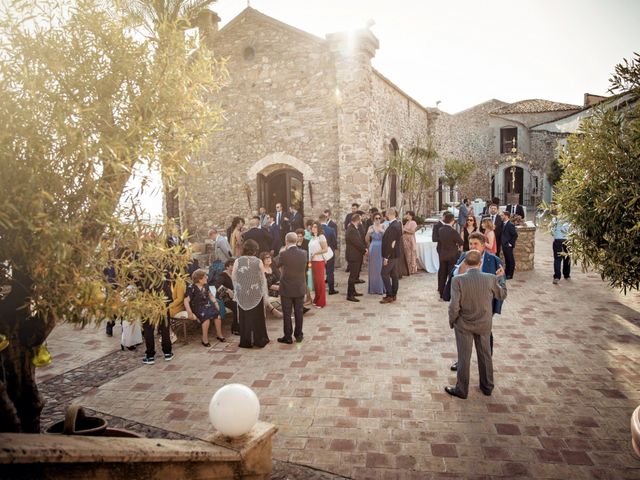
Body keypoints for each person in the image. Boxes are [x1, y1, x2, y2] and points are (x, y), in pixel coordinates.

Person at [445, 250, 507, 399]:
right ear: (480, 263)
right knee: (485, 355)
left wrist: (452, 321)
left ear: (465, 263)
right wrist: (501, 278)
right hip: (484, 323)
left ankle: (462, 389)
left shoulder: (458, 280)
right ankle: (487, 386)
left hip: (464, 324)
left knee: (464, 357)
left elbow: (454, 306)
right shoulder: (491, 278)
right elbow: (502, 295)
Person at [448, 232, 505, 372]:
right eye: (471, 244)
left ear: (483, 245)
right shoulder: (464, 257)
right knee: (463, 340)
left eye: (476, 244)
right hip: (465, 305)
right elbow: (454, 277)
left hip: (485, 306)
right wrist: (461, 267)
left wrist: (495, 307)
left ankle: (487, 362)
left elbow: (501, 286)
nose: (472, 247)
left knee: (486, 337)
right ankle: (461, 362)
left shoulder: (494, 260)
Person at [232, 240, 270, 349]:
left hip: (243, 293)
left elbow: (234, 277)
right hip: (256, 293)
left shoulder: (238, 261)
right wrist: (262, 291)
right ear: (254, 250)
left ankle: (246, 341)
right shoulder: (258, 261)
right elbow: (262, 278)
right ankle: (259, 340)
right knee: (257, 317)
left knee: (245, 317)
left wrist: (240, 287)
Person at [274, 232, 308, 344]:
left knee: (287, 313)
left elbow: (275, 265)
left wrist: (281, 276)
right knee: (299, 312)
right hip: (299, 286)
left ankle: (287, 337)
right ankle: (299, 335)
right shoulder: (304, 253)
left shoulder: (283, 254)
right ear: (296, 241)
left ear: (286, 241)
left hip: (286, 287)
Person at [184, 268, 222, 347]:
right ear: (199, 279)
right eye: (205, 276)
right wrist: (189, 312)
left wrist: (216, 303)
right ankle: (204, 339)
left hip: (207, 305)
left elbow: (211, 296)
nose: (207, 278)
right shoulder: (191, 288)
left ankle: (219, 334)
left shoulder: (206, 286)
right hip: (197, 307)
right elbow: (186, 300)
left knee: (217, 315)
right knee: (206, 318)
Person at [437, 212, 462, 300]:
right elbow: (460, 241)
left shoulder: (441, 230)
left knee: (442, 274)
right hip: (452, 255)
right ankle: (449, 294)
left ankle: (441, 292)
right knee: (451, 275)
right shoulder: (453, 231)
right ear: (452, 220)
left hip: (443, 254)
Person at [380, 208, 402, 304]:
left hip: (391, 255)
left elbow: (391, 243)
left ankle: (390, 294)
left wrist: (386, 257)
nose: (386, 216)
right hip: (395, 254)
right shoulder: (396, 224)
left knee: (384, 273)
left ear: (390, 214)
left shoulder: (393, 226)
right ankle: (393, 294)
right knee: (394, 275)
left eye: (387, 215)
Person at [214, 259, 239, 335]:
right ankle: (235, 329)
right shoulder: (223, 275)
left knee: (241, 305)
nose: (234, 266)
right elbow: (217, 286)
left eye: (234, 264)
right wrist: (227, 290)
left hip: (233, 297)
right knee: (236, 307)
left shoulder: (235, 274)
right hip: (223, 297)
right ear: (227, 267)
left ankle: (240, 326)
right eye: (232, 265)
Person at [346, 213, 367, 302]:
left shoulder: (353, 228)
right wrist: (365, 250)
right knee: (353, 276)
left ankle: (353, 291)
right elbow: (357, 243)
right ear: (357, 220)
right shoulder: (351, 230)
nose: (360, 222)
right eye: (360, 220)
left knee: (354, 276)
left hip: (356, 255)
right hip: (353, 256)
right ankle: (349, 295)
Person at [308, 221, 329, 308]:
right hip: (312, 262)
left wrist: (315, 253)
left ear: (319, 228)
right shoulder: (312, 237)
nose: (313, 228)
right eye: (313, 226)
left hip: (319, 261)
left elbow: (325, 249)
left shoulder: (321, 237)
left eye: (316, 227)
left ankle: (321, 302)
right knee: (315, 282)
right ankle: (316, 299)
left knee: (320, 282)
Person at [365, 212, 385, 295]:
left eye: (379, 218)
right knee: (373, 269)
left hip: (381, 248)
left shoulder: (383, 226)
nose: (378, 220)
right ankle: (373, 289)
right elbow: (366, 239)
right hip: (373, 248)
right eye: (376, 218)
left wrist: (382, 231)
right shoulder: (370, 227)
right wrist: (368, 233)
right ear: (373, 219)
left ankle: (381, 288)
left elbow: (387, 238)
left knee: (380, 268)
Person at [319, 214, 338, 295]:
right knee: (330, 271)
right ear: (326, 219)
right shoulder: (331, 230)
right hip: (329, 252)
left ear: (319, 220)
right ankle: (331, 289)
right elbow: (334, 242)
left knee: (320, 271)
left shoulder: (317, 230)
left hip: (319, 253)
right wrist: (333, 249)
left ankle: (320, 290)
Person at [260, 252, 283, 318]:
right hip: (267, 290)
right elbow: (267, 285)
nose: (268, 259)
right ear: (262, 260)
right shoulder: (262, 270)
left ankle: (294, 308)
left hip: (275, 287)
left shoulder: (271, 268)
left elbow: (276, 280)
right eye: (266, 258)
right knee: (286, 290)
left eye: (269, 257)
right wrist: (280, 287)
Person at [551, 213, 571, 284]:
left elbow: (552, 230)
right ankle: (566, 275)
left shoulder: (555, 218)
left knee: (557, 259)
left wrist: (555, 234)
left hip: (558, 240)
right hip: (567, 240)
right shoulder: (570, 217)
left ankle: (557, 277)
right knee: (567, 258)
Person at [500, 211, 518, 279]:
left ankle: (510, 275)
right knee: (507, 260)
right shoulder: (503, 223)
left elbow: (515, 235)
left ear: (506, 216)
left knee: (510, 260)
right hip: (504, 245)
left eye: (502, 215)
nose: (501, 217)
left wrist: (510, 243)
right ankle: (506, 273)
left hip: (508, 245)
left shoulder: (510, 224)